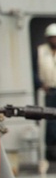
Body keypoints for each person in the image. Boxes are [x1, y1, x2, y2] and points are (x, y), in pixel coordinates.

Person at [37, 23, 56, 162]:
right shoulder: (40, 51)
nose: (54, 40)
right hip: (49, 91)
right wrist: (40, 83)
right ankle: (51, 152)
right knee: (50, 120)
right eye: (52, 37)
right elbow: (33, 69)